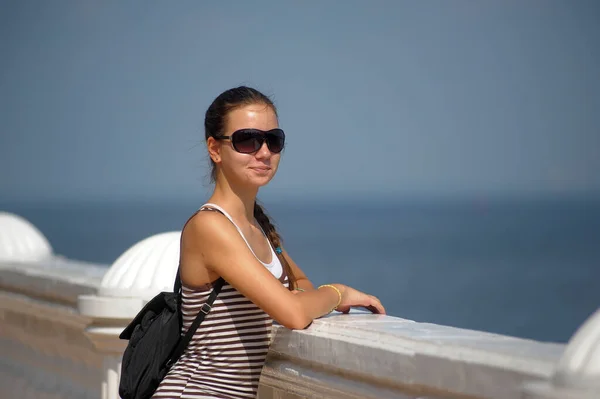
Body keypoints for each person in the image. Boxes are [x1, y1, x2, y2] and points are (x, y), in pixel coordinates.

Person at [152, 86, 385, 399]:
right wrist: (337, 292)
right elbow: (293, 313)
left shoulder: (256, 226)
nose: (263, 152)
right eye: (247, 140)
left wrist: (295, 298)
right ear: (215, 149)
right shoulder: (210, 227)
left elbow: (298, 283)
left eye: (273, 140)